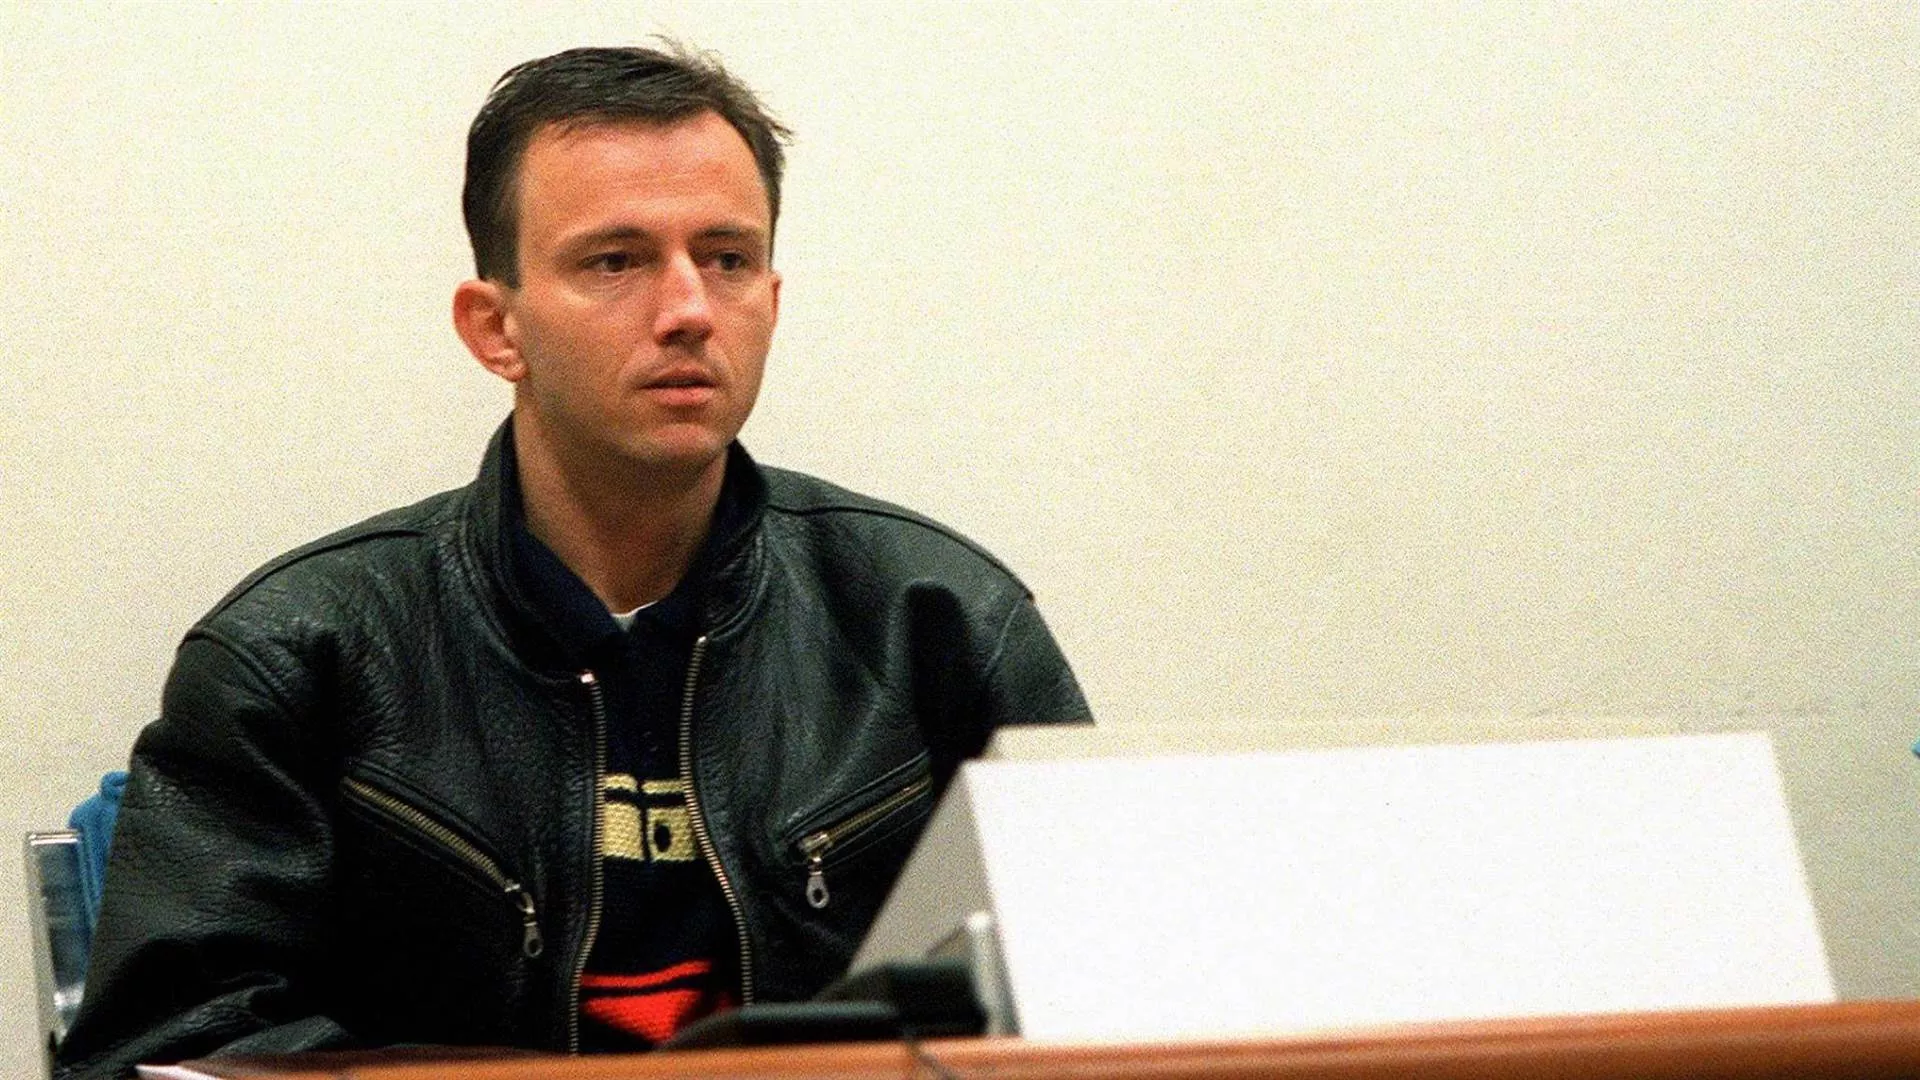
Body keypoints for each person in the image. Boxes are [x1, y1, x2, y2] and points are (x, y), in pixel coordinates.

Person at [56, 43, 1088, 1079]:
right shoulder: (297, 658)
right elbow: (171, 1049)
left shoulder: (939, 624)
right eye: (615, 262)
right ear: (494, 328)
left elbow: (1106, 996)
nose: (688, 309)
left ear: (772, 301)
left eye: (727, 259)